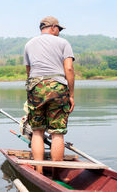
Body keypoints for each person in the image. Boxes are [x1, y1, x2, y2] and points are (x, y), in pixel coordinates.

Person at [23, 16, 75, 178]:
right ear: (52, 27)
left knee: (37, 131)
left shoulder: (29, 44)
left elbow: (29, 72)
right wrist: (71, 94)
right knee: (57, 133)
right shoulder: (63, 43)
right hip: (58, 87)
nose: (59, 32)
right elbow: (69, 69)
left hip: (35, 87)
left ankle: (38, 172)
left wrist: (32, 92)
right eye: (58, 29)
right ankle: (56, 175)